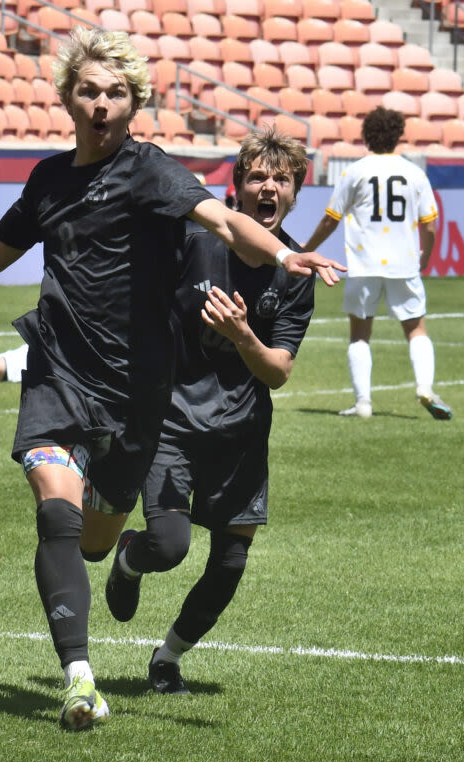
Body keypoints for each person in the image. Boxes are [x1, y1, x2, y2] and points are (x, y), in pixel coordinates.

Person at [0, 28, 343, 730]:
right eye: (89, 91)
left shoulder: (152, 171)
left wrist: (282, 256)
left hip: (136, 394)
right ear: (68, 98)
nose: (101, 104)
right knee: (54, 513)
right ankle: (78, 679)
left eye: (116, 93)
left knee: (97, 540)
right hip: (58, 372)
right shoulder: (48, 180)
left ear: (135, 104)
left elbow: (224, 221)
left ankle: (116, 563)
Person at [94, 127, 317, 696]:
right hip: (171, 420)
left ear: (296, 192)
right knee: (169, 546)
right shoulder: (195, 239)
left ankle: (167, 658)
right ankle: (129, 558)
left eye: (281, 179)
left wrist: (244, 336)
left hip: (240, 434)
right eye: (258, 177)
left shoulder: (294, 276)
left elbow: (278, 373)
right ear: (237, 188)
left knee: (231, 562)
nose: (269, 187)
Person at [302, 106, 451, 420]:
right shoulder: (415, 173)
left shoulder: (355, 171)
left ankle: (363, 404)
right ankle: (425, 387)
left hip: (364, 262)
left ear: (367, 136)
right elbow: (430, 226)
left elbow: (331, 220)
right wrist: (425, 257)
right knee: (416, 329)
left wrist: (306, 249)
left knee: (359, 334)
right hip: (404, 263)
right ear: (398, 135)